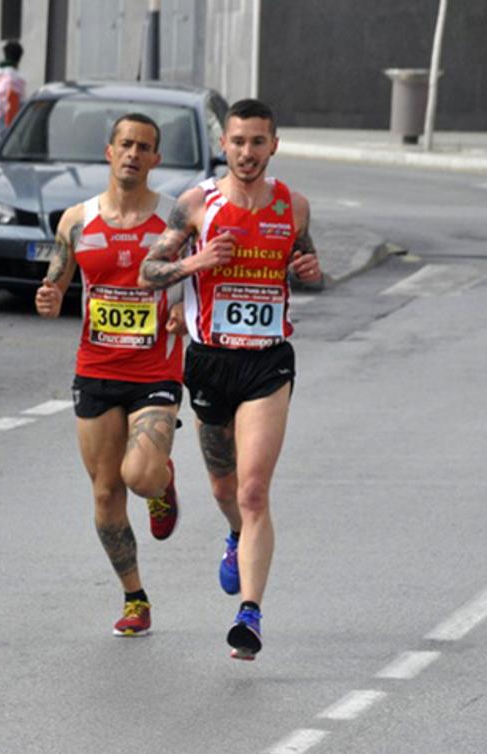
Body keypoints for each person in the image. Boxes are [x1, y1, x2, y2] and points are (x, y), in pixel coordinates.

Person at [138, 98, 322, 660]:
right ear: (224, 145)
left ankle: (250, 613)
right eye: (238, 142)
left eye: (258, 142)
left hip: (268, 362)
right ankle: (236, 536)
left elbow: (308, 266)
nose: (247, 153)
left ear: (274, 145)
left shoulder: (294, 207)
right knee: (223, 488)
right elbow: (149, 272)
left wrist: (312, 272)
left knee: (253, 489)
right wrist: (196, 263)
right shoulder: (197, 204)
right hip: (211, 362)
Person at [35, 113, 183, 638]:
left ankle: (162, 483)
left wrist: (186, 309)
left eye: (145, 147)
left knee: (138, 475)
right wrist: (49, 296)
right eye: (126, 144)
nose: (134, 155)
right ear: (109, 151)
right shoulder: (76, 220)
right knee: (105, 494)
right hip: (96, 369)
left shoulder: (175, 217)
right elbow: (57, 277)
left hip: (156, 369)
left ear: (155, 159)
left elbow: (204, 274)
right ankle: (135, 597)